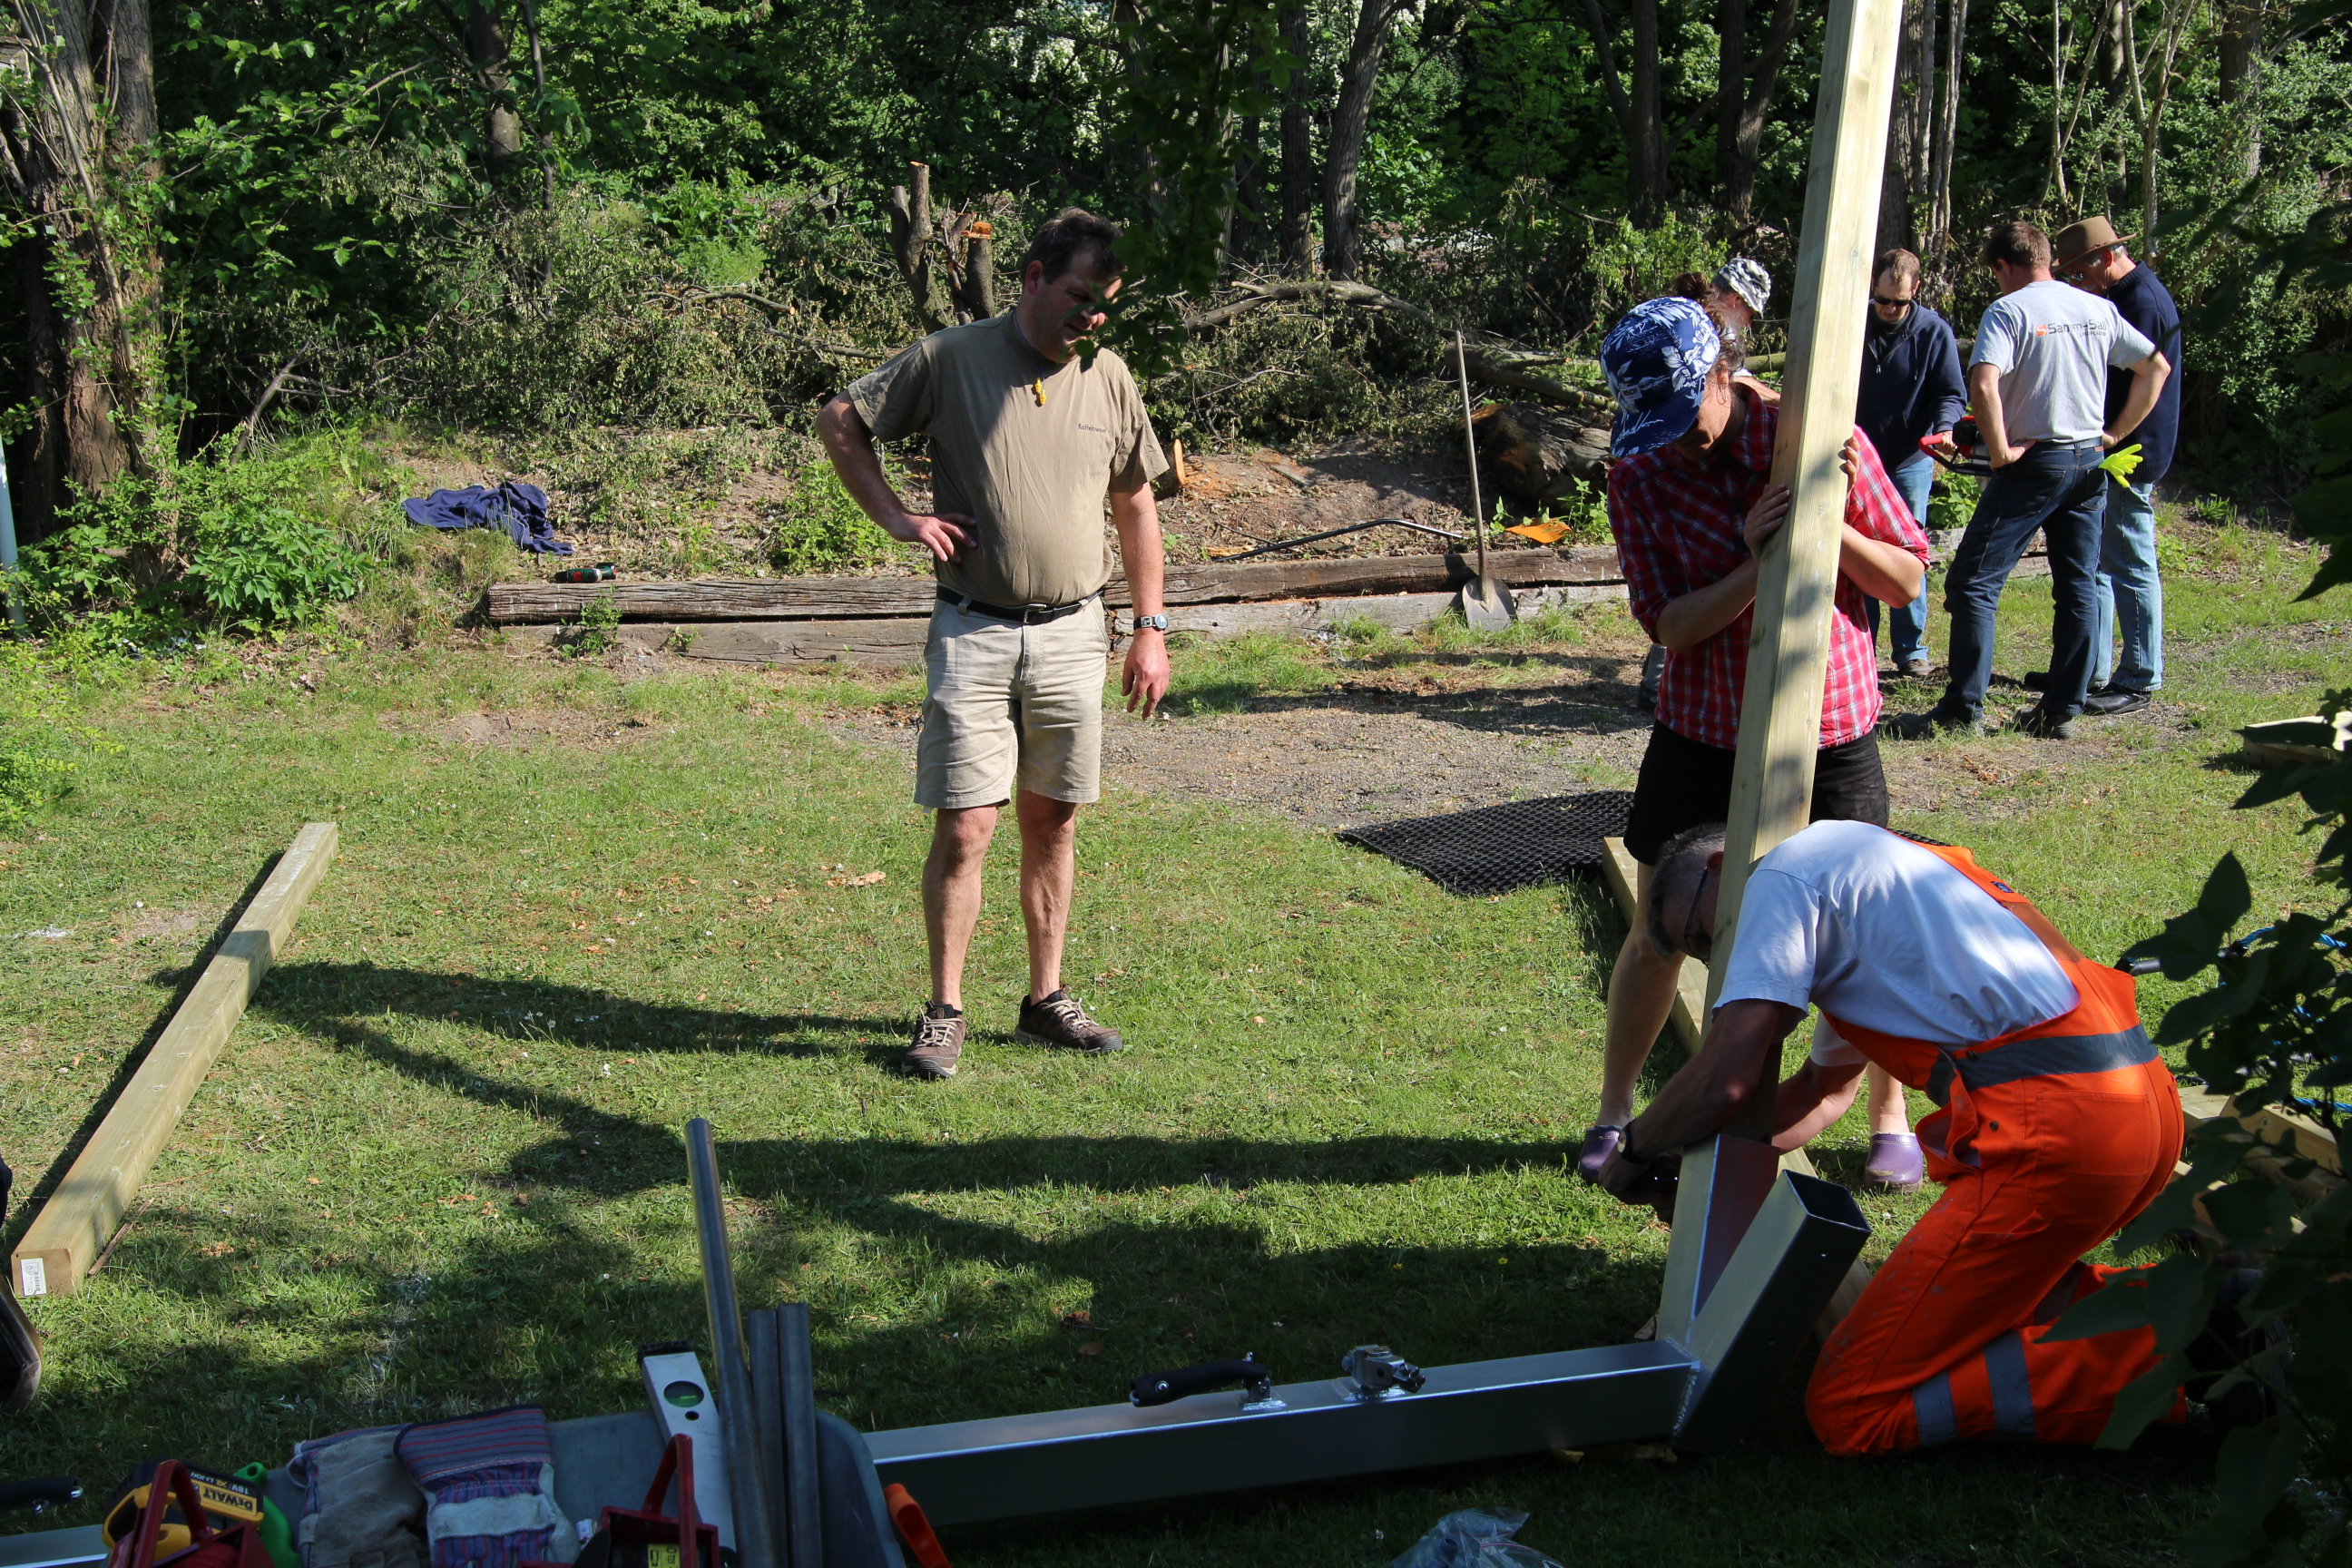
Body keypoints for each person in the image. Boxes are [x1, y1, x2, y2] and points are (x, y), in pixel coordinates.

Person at [1590, 818, 2202, 1455]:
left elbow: (1727, 1078)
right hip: (2136, 1112)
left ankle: (2175, 1360)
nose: (1719, 959)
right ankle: (2197, 1310)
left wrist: (1635, 1148)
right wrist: (1697, 1168)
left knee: (1851, 1408)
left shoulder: (1782, 878)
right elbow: (1821, 1092)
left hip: (2065, 1136)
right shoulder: (1865, 880)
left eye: (1702, 936)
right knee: (1996, 1292)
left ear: (1720, 864)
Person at [1578, 296, 1930, 1185]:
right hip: (1702, 729)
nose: (1675, 441)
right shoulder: (1639, 473)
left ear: (1723, 374)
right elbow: (1669, 624)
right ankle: (1615, 1113)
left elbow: (1903, 580)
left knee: (1867, 933)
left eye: (1685, 414)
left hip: (1830, 728)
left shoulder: (1815, 439)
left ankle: (1889, 1117)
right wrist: (1756, 562)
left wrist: (1827, 522)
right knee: (1658, 928)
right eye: (1654, 423)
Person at [817, 209, 1172, 1082]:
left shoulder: (1108, 375)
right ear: (1034, 278)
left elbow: (1135, 503)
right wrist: (898, 517)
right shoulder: (951, 357)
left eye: (1106, 303)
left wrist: (1150, 628)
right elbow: (840, 418)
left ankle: (1046, 999)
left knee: (1053, 819)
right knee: (968, 824)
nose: (1092, 315)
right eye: (1080, 294)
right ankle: (944, 1011)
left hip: (1075, 633)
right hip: (973, 629)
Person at [1885, 220, 2171, 742]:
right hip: (2087, 460)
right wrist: (2112, 435)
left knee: (1972, 583)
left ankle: (1962, 709)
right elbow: (2155, 368)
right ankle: (2061, 710)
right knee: (2078, 585)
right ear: (2045, 258)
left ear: (2003, 266)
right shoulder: (2094, 307)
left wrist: (1999, 453)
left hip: (2034, 464)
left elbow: (1983, 382)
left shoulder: (2009, 311)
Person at [2042, 216, 2181, 718]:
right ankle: (2090, 670)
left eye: (2080, 273)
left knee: (2129, 561)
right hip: (2112, 449)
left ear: (2106, 257)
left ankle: (2140, 677)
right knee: (2098, 561)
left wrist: (2114, 436)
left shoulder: (2142, 301)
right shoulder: (2124, 295)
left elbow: (2151, 377)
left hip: (2130, 451)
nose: (2077, 284)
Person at [1855, 248, 1966, 682]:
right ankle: (1862, 644)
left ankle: (1911, 650)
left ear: (1915, 290)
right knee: (1859, 548)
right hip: (1857, 455)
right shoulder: (1854, 322)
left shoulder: (1933, 332)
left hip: (1909, 459)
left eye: (1898, 302)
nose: (1888, 308)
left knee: (1908, 551)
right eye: (1882, 299)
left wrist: (1945, 427)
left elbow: (1950, 393)